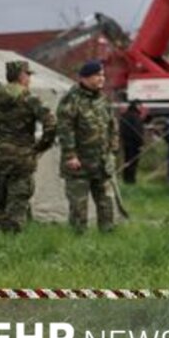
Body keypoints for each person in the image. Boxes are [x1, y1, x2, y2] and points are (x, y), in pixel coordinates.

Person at [0, 60, 56, 232]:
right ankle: (11, 239)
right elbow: (51, 124)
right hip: (22, 156)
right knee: (18, 198)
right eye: (28, 75)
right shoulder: (30, 98)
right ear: (21, 75)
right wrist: (40, 147)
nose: (29, 79)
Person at [56, 60, 119, 233]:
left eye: (103, 75)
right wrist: (70, 155)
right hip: (79, 164)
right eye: (97, 75)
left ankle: (108, 235)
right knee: (79, 205)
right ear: (84, 78)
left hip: (101, 163)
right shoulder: (71, 100)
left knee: (106, 202)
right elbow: (65, 130)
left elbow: (112, 126)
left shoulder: (103, 99)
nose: (101, 78)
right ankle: (78, 239)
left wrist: (112, 151)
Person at [118, 101, 146, 184]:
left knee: (127, 161)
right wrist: (140, 143)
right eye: (140, 106)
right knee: (133, 162)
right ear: (136, 106)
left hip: (126, 142)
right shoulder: (136, 116)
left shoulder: (124, 116)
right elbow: (138, 131)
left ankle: (126, 178)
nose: (141, 107)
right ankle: (131, 180)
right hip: (134, 144)